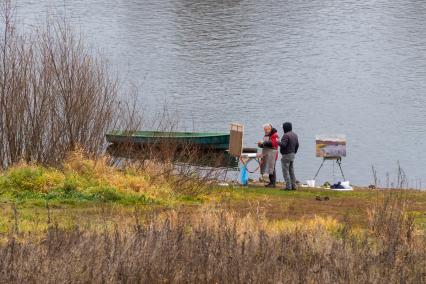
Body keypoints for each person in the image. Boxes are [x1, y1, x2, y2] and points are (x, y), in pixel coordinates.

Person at [278, 122, 299, 190]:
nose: (282, 129)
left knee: (285, 171)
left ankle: (288, 187)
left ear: (285, 128)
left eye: (283, 127)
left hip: (286, 155)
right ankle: (294, 186)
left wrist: (277, 142)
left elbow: (283, 145)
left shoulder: (286, 135)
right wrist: (294, 152)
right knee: (291, 171)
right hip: (292, 154)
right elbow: (297, 145)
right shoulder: (295, 135)